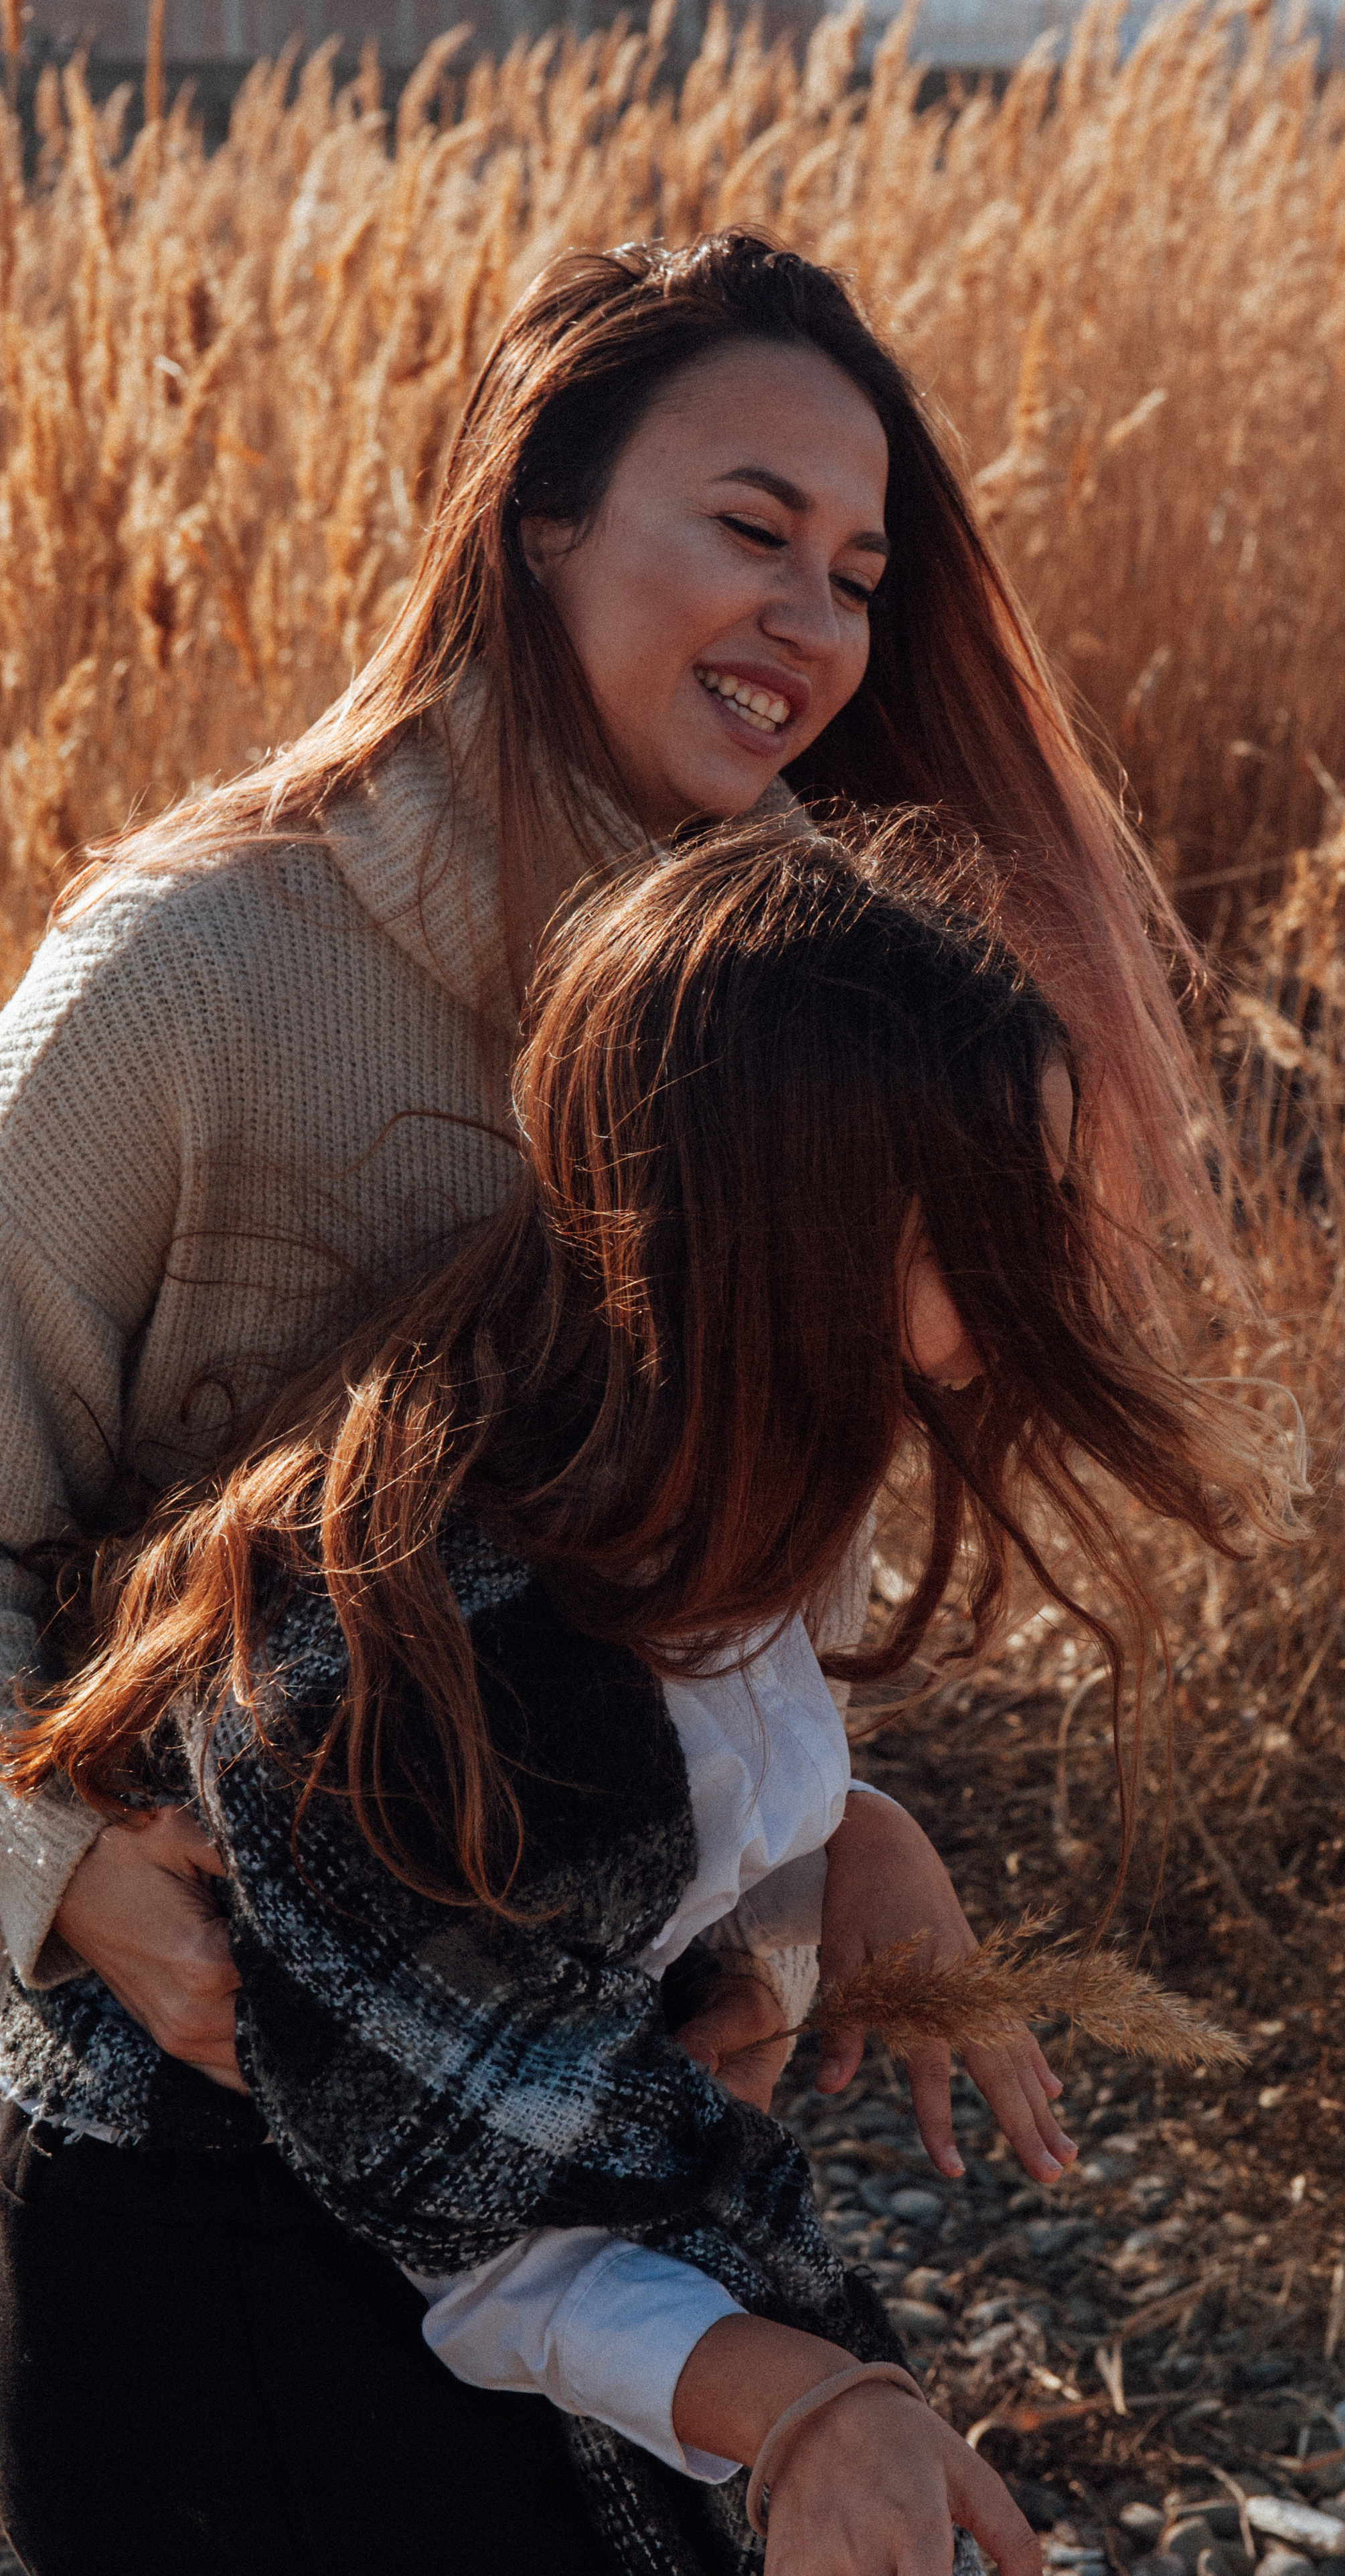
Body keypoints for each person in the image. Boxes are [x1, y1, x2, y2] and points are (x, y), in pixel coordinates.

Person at [0, 227, 1234, 2149]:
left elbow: (723, 1629)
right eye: (754, 530)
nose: (814, 626)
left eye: (854, 579)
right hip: (182, 2102)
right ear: (539, 518)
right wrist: (52, 1861)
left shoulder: (833, 1047)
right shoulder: (200, 967)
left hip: (602, 2137)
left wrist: (822, 1862)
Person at [0, 830, 1273, 2575]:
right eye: (998, 1208)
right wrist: (825, 2396)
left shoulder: (719, 1502)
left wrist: (838, 1854)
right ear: (807, 1235)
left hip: (446, 2233)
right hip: (230, 2292)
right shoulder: (451, 1665)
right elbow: (517, 2205)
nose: (1055, 1257)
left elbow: (680, 1888)